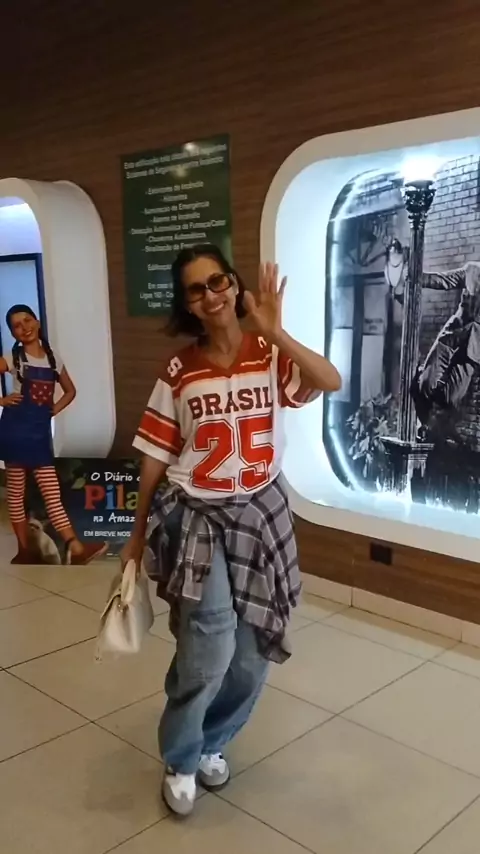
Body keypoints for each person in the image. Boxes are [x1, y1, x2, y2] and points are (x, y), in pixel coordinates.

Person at [121, 244, 341, 816]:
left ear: (234, 284)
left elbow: (330, 380)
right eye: (196, 289)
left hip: (259, 513)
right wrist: (136, 535)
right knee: (210, 643)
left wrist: (277, 333)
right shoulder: (179, 371)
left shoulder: (268, 354)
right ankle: (181, 757)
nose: (210, 295)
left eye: (217, 281)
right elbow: (154, 457)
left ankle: (213, 740)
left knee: (251, 651)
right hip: (195, 513)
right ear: (187, 303)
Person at [0, 304, 107, 565]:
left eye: (27, 320)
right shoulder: (14, 358)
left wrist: (53, 410)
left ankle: (74, 548)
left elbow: (70, 391)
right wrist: (2, 401)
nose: (24, 327)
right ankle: (27, 551)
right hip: (15, 431)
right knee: (16, 493)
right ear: (12, 333)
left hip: (38, 433)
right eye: (17, 325)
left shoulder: (52, 359)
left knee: (51, 492)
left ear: (37, 322)